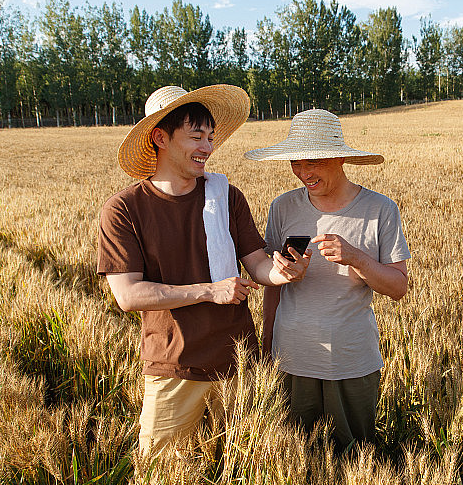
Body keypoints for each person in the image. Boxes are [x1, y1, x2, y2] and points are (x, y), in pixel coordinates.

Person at [97, 85, 310, 457]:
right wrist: (210, 290)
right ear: (160, 137)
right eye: (196, 136)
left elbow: (256, 260)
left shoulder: (226, 196)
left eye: (210, 137)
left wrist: (284, 273)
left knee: (246, 468)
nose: (208, 148)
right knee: (160, 479)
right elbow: (129, 295)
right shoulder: (124, 210)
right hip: (173, 366)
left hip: (237, 361)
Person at [244, 108, 410, 451]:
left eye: (312, 161)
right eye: (296, 162)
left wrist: (357, 258)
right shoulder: (283, 207)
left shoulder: (380, 209)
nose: (303, 172)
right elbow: (274, 286)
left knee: (355, 456)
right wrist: (267, 343)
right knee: (297, 456)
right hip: (291, 358)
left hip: (351, 359)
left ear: (339, 158)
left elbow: (398, 287)